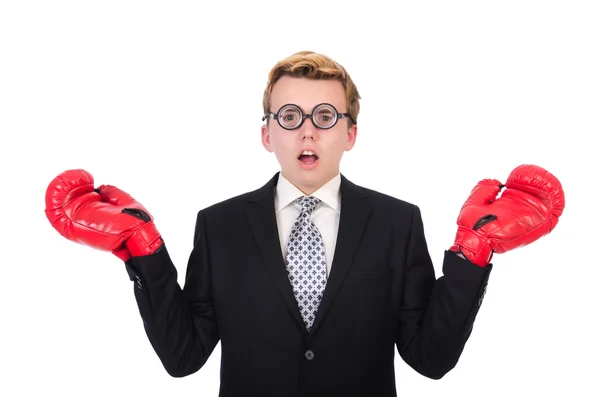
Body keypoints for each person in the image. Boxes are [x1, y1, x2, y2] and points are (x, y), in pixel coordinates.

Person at [44, 51, 565, 397]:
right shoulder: (218, 225)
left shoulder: (397, 222)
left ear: (351, 134)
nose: (307, 133)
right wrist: (144, 253)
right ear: (267, 134)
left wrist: (473, 254)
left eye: (325, 117)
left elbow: (429, 359)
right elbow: (184, 358)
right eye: (289, 117)